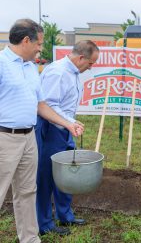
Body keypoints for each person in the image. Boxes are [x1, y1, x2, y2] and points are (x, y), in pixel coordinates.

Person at [0, 19, 83, 243]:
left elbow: (41, 105)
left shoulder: (31, 68)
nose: (40, 48)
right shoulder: (1, 63)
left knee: (27, 191)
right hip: (4, 138)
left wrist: (68, 123)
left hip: (29, 138)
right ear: (26, 40)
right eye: (38, 43)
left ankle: (29, 238)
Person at [35, 40, 99, 236]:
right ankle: (45, 224)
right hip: (51, 129)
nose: (91, 67)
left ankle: (65, 215)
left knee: (66, 172)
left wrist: (71, 123)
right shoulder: (58, 72)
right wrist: (69, 123)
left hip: (63, 127)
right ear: (81, 58)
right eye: (90, 63)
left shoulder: (72, 72)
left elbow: (63, 104)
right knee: (46, 176)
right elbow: (49, 106)